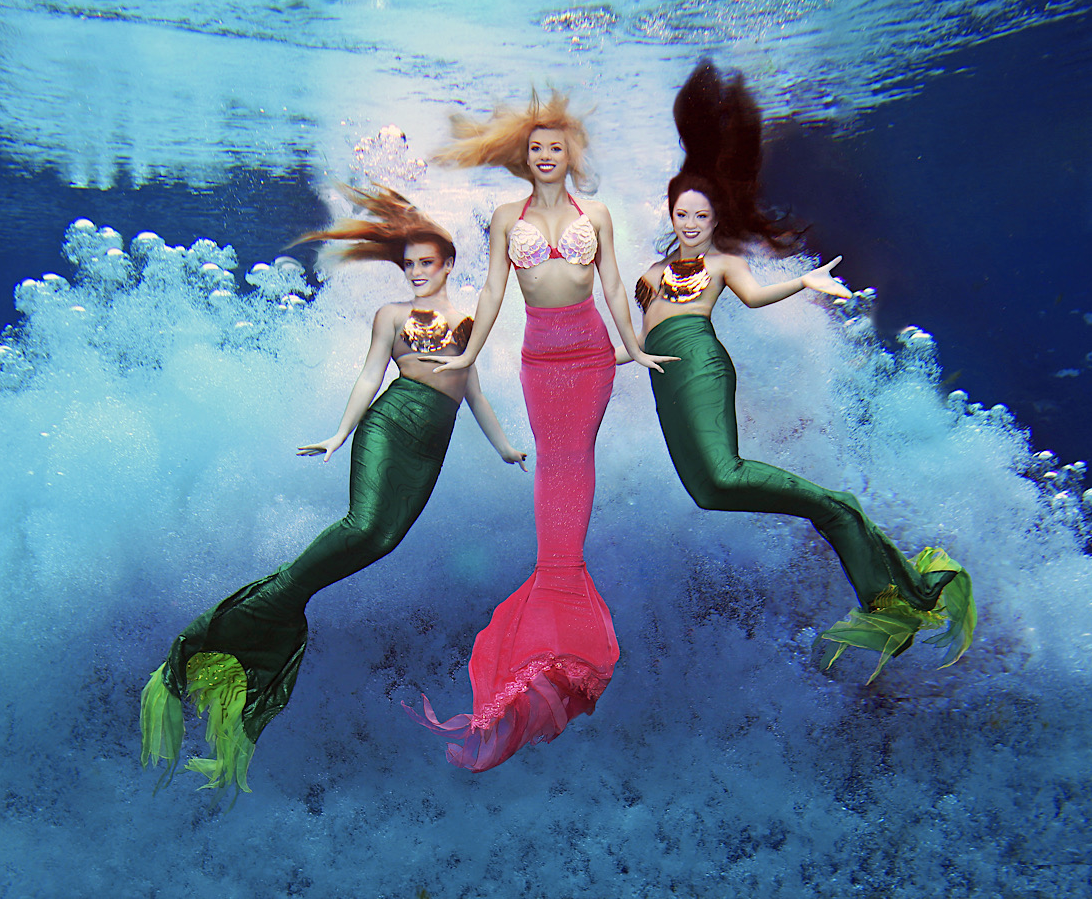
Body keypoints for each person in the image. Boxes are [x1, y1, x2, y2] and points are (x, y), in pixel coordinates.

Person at [139, 186, 526, 796]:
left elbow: (473, 392)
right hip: (390, 424)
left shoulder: (468, 322)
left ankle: (276, 613)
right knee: (364, 525)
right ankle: (246, 616)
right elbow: (372, 375)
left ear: (449, 264)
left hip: (433, 445)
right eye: (409, 265)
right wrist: (340, 434)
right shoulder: (391, 317)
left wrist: (504, 446)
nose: (418, 272)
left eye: (427, 263)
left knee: (384, 540)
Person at [631, 60, 975, 682]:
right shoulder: (678, 232)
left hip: (711, 366)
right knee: (708, 491)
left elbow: (759, 299)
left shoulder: (721, 241)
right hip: (677, 374)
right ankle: (866, 557)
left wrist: (806, 283)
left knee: (727, 479)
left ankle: (860, 545)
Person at [407, 90, 676, 771]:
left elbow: (614, 286)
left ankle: (561, 625)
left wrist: (634, 344)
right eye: (535, 147)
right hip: (539, 357)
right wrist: (469, 351)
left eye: (555, 146)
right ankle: (549, 638)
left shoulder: (600, 214)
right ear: (525, 158)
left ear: (569, 155)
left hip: (589, 353)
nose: (545, 155)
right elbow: (495, 291)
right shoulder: (505, 218)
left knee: (573, 464)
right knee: (553, 470)